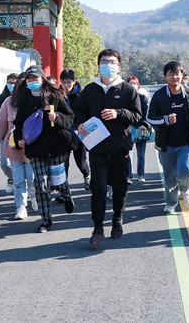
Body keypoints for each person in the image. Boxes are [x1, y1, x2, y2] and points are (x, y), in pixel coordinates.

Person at [76, 49, 142, 244]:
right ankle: (97, 227)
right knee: (98, 188)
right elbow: (79, 113)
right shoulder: (89, 90)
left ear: (119, 67)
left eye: (112, 62)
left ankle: (117, 220)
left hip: (119, 148)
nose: (108, 65)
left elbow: (137, 116)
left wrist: (118, 113)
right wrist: (79, 124)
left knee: (120, 188)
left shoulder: (128, 90)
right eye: (104, 62)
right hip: (97, 149)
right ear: (98, 66)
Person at [13, 65, 75, 233]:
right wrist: (19, 139)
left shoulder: (56, 96)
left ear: (43, 79)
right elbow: (18, 124)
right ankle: (46, 219)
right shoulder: (24, 100)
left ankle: (67, 196)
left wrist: (58, 117)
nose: (33, 82)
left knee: (59, 181)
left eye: (36, 78)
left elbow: (70, 118)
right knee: (40, 184)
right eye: (29, 79)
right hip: (36, 149)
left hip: (57, 146)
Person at [148, 63, 189, 213]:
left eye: (177, 73)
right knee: (170, 178)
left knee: (185, 171)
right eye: (171, 74)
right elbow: (150, 117)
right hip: (166, 143)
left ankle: (185, 189)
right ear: (165, 76)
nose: (174, 77)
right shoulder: (159, 95)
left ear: (182, 75)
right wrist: (165, 120)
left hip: (186, 142)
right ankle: (171, 202)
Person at [0, 75, 38, 220]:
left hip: (31, 149)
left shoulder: (34, 101)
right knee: (19, 180)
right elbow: (0, 125)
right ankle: (21, 207)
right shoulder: (8, 102)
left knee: (32, 179)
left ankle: (34, 197)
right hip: (14, 148)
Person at [60, 69, 91, 190]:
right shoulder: (58, 95)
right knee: (63, 162)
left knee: (80, 161)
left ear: (74, 81)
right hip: (63, 133)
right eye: (63, 82)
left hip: (79, 132)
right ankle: (63, 188)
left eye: (68, 82)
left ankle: (86, 175)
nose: (66, 85)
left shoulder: (82, 95)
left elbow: (86, 113)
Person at [0, 73, 19, 193]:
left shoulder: (23, 98)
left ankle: (20, 183)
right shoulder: (0, 99)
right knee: (4, 163)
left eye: (14, 83)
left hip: (19, 137)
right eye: (10, 82)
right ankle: (11, 177)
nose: (12, 85)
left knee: (18, 163)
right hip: (5, 137)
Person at [126, 76, 151, 184]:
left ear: (138, 85)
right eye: (130, 83)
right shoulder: (124, 98)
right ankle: (129, 176)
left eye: (135, 83)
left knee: (141, 155)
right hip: (128, 130)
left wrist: (145, 125)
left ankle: (141, 175)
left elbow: (147, 113)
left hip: (141, 129)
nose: (133, 85)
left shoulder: (143, 98)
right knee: (128, 154)